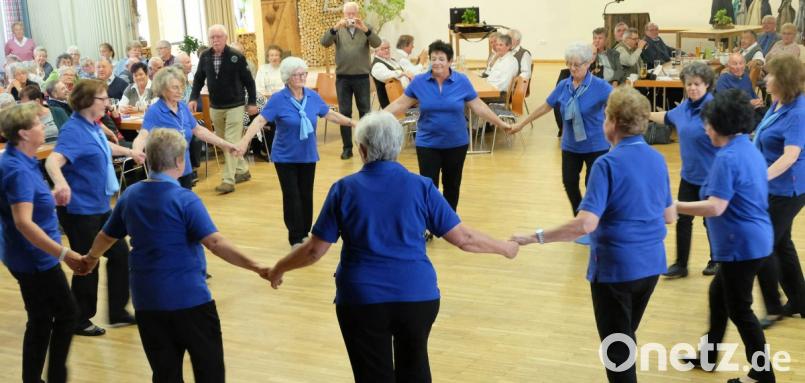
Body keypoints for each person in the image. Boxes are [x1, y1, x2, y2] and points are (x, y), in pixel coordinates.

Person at [265, 111, 518, 382]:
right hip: (417, 296)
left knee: (373, 375)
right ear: (397, 147)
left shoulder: (344, 189)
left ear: (361, 150)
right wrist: (504, 247)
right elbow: (463, 238)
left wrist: (279, 267)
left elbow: (314, 250)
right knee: (415, 368)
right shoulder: (422, 187)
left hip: (362, 299)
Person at [512, 86, 674, 383]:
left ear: (611, 122)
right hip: (651, 267)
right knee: (625, 337)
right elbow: (670, 216)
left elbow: (585, 225)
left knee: (617, 350)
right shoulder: (657, 159)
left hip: (616, 271)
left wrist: (534, 237)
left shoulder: (607, 164)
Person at [84, 128, 270, 382]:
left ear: (149, 159)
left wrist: (90, 259)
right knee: (209, 370)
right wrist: (257, 266)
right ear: (180, 162)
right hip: (189, 301)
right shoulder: (184, 199)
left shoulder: (130, 196)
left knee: (165, 373)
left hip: (147, 302)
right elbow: (215, 243)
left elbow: (107, 236)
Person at [676, 89, 775, 383]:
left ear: (722, 125)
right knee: (718, 295)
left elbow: (715, 206)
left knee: (740, 310)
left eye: (709, 123)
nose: (705, 129)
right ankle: (708, 357)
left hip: (741, 246)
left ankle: (762, 374)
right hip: (754, 240)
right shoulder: (747, 147)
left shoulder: (728, 158)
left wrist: (675, 206)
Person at [44, 79, 144, 336]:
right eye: (103, 99)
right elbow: (53, 161)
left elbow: (104, 146)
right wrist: (61, 183)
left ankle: (118, 311)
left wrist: (130, 152)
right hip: (79, 210)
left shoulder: (93, 126)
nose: (107, 103)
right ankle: (79, 318)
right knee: (88, 262)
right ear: (88, 102)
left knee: (121, 254)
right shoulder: (73, 130)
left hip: (99, 205)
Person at [0, 103, 86, 383]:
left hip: (23, 255)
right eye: (38, 124)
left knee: (40, 319)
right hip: (37, 258)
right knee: (66, 314)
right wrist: (64, 253)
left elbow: (21, 203)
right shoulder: (18, 169)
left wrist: (50, 196)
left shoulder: (16, 159)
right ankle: (56, 377)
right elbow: (24, 222)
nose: (43, 128)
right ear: (24, 134)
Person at [385, 40, 511, 218]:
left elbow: (478, 107)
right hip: (428, 143)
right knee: (428, 186)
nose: (436, 62)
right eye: (433, 58)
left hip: (456, 144)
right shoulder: (420, 81)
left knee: (452, 185)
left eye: (441, 58)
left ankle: (449, 221)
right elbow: (400, 104)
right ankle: (428, 223)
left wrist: (501, 123)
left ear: (450, 61)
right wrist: (376, 117)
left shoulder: (461, 81)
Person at [239, 56, 355, 246]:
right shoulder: (278, 99)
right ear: (287, 77)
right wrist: (245, 141)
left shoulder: (312, 96)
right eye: (298, 74)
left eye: (304, 73)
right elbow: (260, 120)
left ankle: (304, 233)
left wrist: (353, 123)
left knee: (306, 195)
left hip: (307, 154)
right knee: (292, 196)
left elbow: (330, 114)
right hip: (285, 156)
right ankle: (295, 237)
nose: (302, 77)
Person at [510, 43, 613, 245]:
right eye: (570, 64)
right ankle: (580, 224)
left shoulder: (600, 87)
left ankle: (597, 225)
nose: (573, 69)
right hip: (571, 145)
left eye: (577, 65)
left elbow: (619, 105)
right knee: (569, 183)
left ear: (588, 64)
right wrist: (521, 123)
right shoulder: (564, 85)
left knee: (593, 186)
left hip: (596, 145)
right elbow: (545, 107)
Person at [649, 62, 719, 278]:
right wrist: (643, 113)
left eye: (697, 84)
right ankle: (681, 264)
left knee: (712, 222)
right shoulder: (685, 107)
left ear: (706, 84)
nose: (692, 88)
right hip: (689, 176)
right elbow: (667, 117)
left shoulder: (714, 109)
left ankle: (717, 260)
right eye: (689, 84)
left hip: (713, 177)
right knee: (683, 218)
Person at [755, 55, 805, 327]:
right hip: (774, 185)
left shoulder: (798, 112)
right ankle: (800, 299)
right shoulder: (777, 102)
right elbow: (761, 135)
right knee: (782, 243)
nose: (765, 78)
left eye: (770, 75)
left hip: (789, 189)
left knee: (764, 244)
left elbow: (789, 157)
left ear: (783, 79)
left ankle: (773, 307)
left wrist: (758, 178)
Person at [132, 66, 239, 189]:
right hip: (164, 174)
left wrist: (225, 144)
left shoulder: (182, 107)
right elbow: (143, 136)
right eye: (175, 87)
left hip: (185, 169)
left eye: (181, 87)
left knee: (184, 205)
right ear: (163, 89)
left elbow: (199, 130)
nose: (180, 91)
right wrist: (136, 150)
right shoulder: (154, 111)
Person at [188, 24, 257, 194]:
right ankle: (242, 169)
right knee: (222, 141)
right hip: (215, 106)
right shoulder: (204, 57)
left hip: (236, 105)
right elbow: (198, 79)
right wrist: (192, 98)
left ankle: (228, 179)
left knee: (232, 140)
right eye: (212, 37)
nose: (215, 40)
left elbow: (249, 82)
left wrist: (253, 103)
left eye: (219, 37)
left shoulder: (236, 56)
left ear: (225, 38)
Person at [320, 1, 381, 160]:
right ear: (344, 14)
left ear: (357, 13)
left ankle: (366, 145)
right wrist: (334, 28)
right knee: (344, 113)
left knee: (365, 112)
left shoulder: (365, 26)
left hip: (361, 77)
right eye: (348, 14)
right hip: (343, 78)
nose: (351, 16)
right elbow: (324, 42)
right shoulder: (338, 29)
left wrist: (366, 30)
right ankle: (347, 148)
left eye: (353, 13)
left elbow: (377, 43)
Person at [371, 40, 413, 108]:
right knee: (425, 109)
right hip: (393, 105)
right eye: (383, 49)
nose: (387, 50)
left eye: (388, 48)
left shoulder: (391, 60)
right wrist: (403, 73)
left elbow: (406, 72)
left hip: (404, 98)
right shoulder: (377, 65)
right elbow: (387, 76)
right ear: (375, 51)